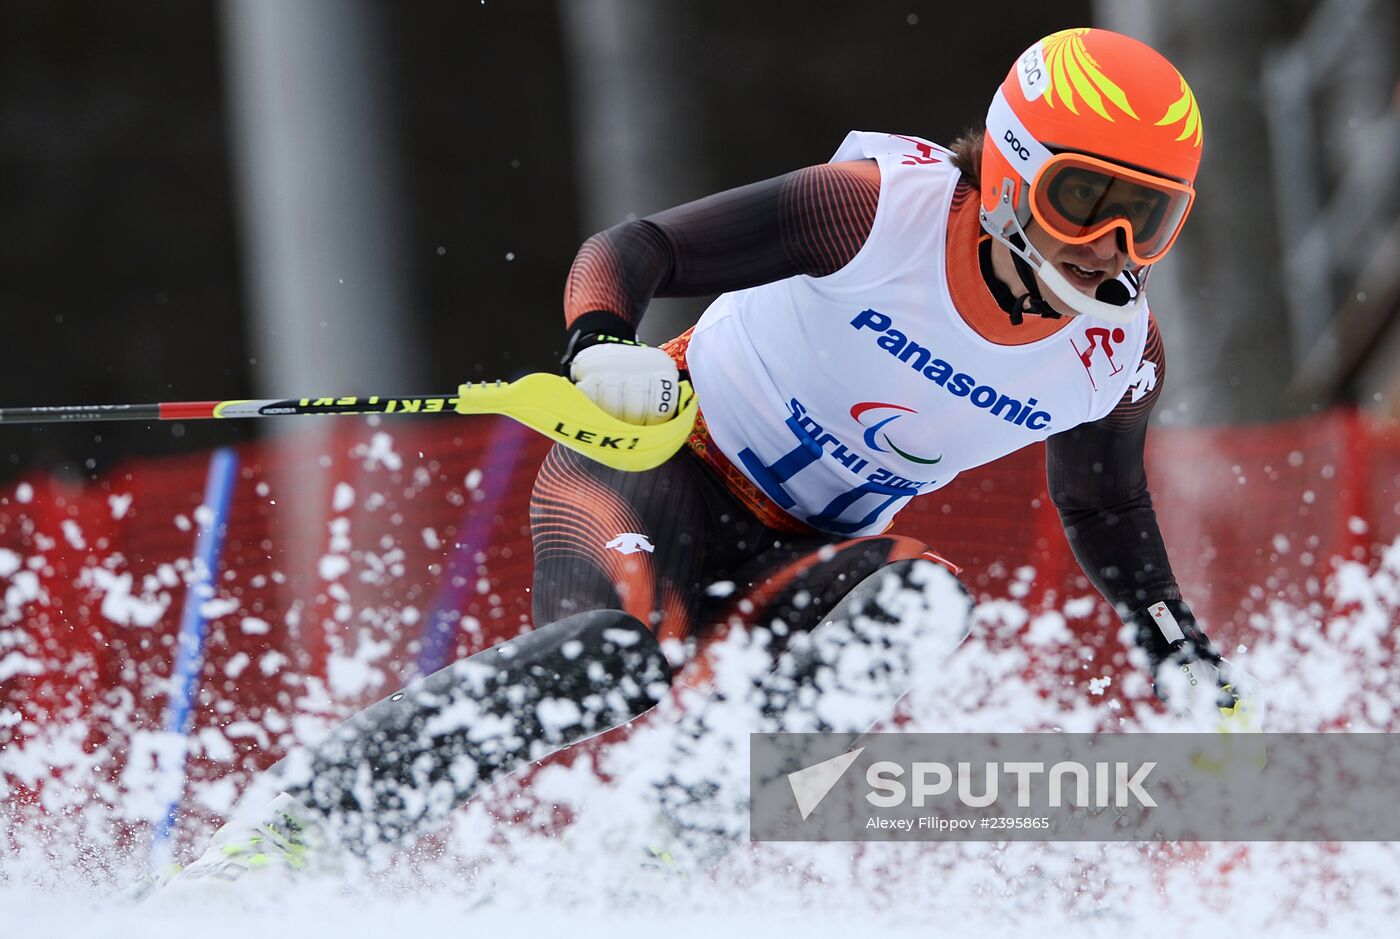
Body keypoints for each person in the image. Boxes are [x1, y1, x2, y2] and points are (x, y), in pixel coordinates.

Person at [155, 26, 1249, 889]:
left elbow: (1103, 508)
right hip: (656, 471)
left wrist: (1177, 653)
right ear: (1009, 170)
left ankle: (659, 870)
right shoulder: (874, 214)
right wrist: (599, 345)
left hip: (800, 550)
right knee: (619, 657)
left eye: (1142, 221)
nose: (1104, 248)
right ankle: (284, 843)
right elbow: (636, 248)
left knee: (923, 602)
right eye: (1080, 200)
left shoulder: (1113, 354)